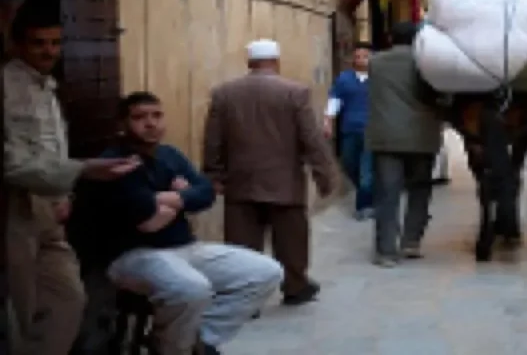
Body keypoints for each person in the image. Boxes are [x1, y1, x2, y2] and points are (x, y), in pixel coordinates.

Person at [100, 92, 284, 355]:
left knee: (266, 272)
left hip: (185, 248)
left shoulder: (170, 155)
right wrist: (183, 197)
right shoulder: (115, 162)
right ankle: (171, 348)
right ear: (123, 124)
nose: (151, 123)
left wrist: (169, 200)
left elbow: (206, 192)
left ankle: (202, 340)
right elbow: (144, 218)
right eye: (140, 118)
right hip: (134, 255)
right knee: (192, 289)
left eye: (157, 115)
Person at [4, 4, 141, 355]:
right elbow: (12, 163)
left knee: (68, 300)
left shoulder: (46, 88)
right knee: (21, 311)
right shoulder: (6, 86)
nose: (49, 51)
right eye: (39, 43)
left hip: (49, 212)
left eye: (55, 43)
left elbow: (52, 150)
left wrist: (65, 194)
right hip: (14, 211)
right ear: (18, 44)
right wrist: (82, 170)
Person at [203, 39, 337, 306]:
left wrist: (213, 174)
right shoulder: (295, 92)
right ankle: (295, 285)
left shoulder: (224, 93)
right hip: (284, 181)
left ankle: (244, 296)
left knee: (242, 242)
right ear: (276, 61)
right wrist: (324, 175)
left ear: (249, 62)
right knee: (291, 240)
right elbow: (311, 138)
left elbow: (213, 140)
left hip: (241, 181)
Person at [367, 22, 443, 267]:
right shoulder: (428, 63)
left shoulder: (375, 62)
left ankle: (386, 251)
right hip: (422, 137)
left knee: (387, 194)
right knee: (419, 190)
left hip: (386, 138)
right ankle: (411, 242)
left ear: (390, 37)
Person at [323, 43, 373, 220]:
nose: (361, 60)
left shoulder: (379, 79)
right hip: (350, 129)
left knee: (366, 171)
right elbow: (335, 101)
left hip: (372, 131)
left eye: (365, 56)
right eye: (357, 56)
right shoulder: (344, 79)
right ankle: (368, 192)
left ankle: (364, 206)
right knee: (348, 164)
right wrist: (328, 121)